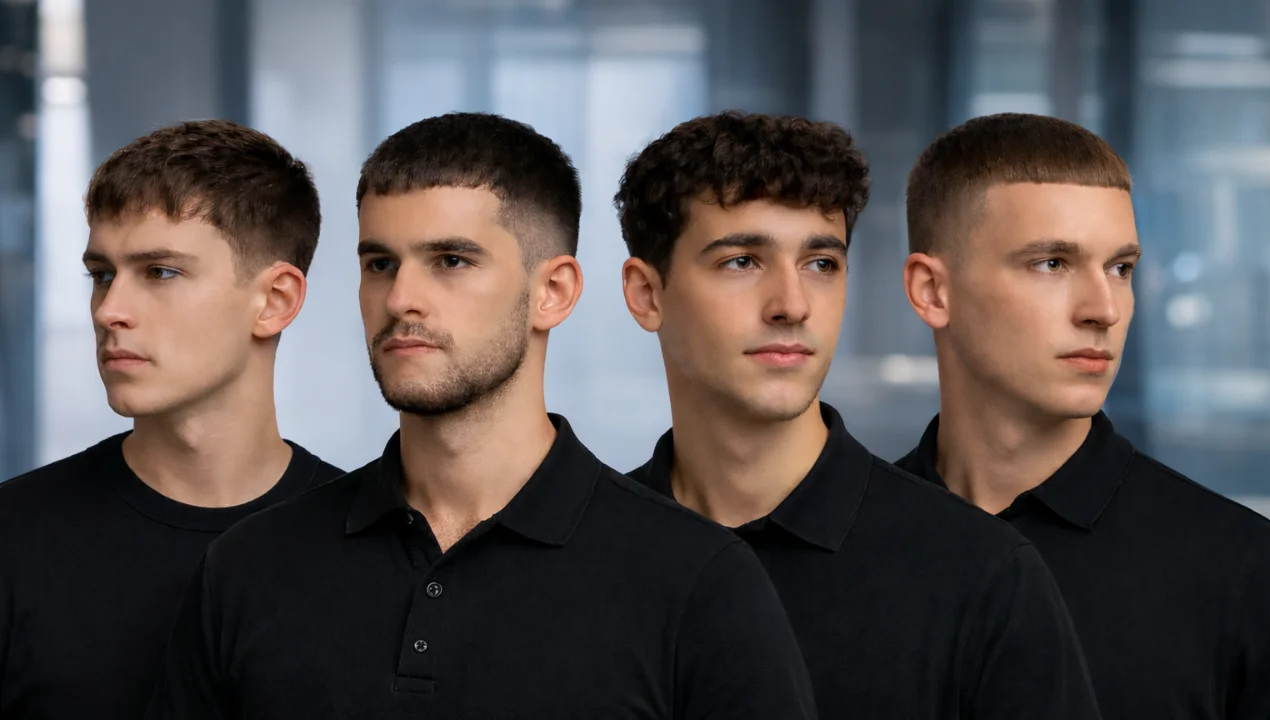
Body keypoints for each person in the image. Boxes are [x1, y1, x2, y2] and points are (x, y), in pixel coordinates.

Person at [145, 112, 816, 720]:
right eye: (380, 263)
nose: (401, 298)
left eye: (451, 261)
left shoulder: (699, 581)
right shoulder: (248, 568)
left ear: (553, 292)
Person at [617, 111, 1101, 719]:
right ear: (647, 294)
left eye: (821, 264)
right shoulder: (587, 561)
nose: (792, 305)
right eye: (742, 261)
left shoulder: (982, 576)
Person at [895, 112, 1270, 719]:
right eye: (1052, 263)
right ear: (932, 291)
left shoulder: (1247, 574)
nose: (1104, 309)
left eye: (1120, 269)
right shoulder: (836, 551)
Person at [0, 119, 344, 720]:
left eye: (160, 272)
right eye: (102, 275)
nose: (109, 310)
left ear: (275, 300)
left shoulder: (374, 547)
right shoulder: (12, 538)